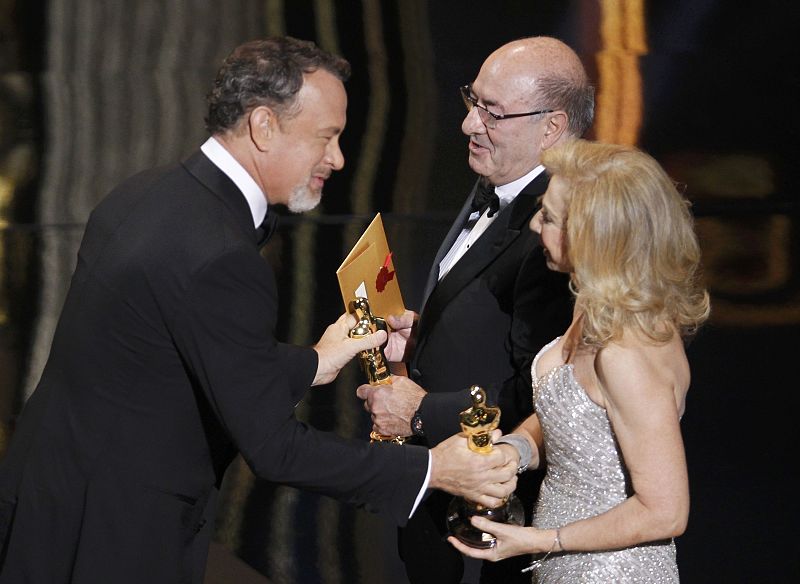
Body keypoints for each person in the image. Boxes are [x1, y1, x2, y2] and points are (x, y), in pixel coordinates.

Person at [0, 37, 519, 584]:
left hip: (49, 495)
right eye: (328, 137)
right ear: (264, 126)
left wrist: (314, 363)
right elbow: (276, 450)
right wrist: (435, 468)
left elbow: (174, 357)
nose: (338, 159)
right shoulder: (221, 255)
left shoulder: (144, 192)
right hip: (116, 530)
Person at [357, 36, 594, 583]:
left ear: (551, 128)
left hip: (494, 519)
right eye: (473, 100)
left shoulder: (561, 232)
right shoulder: (498, 181)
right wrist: (428, 337)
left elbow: (553, 397)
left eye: (493, 111)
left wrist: (420, 412)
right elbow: (492, 328)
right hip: (441, 501)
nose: (468, 123)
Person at [448, 139, 711, 582]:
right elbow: (575, 415)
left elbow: (666, 512)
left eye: (549, 217)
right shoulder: (595, 305)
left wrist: (540, 540)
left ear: (592, 236)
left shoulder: (626, 354)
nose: (534, 224)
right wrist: (516, 449)